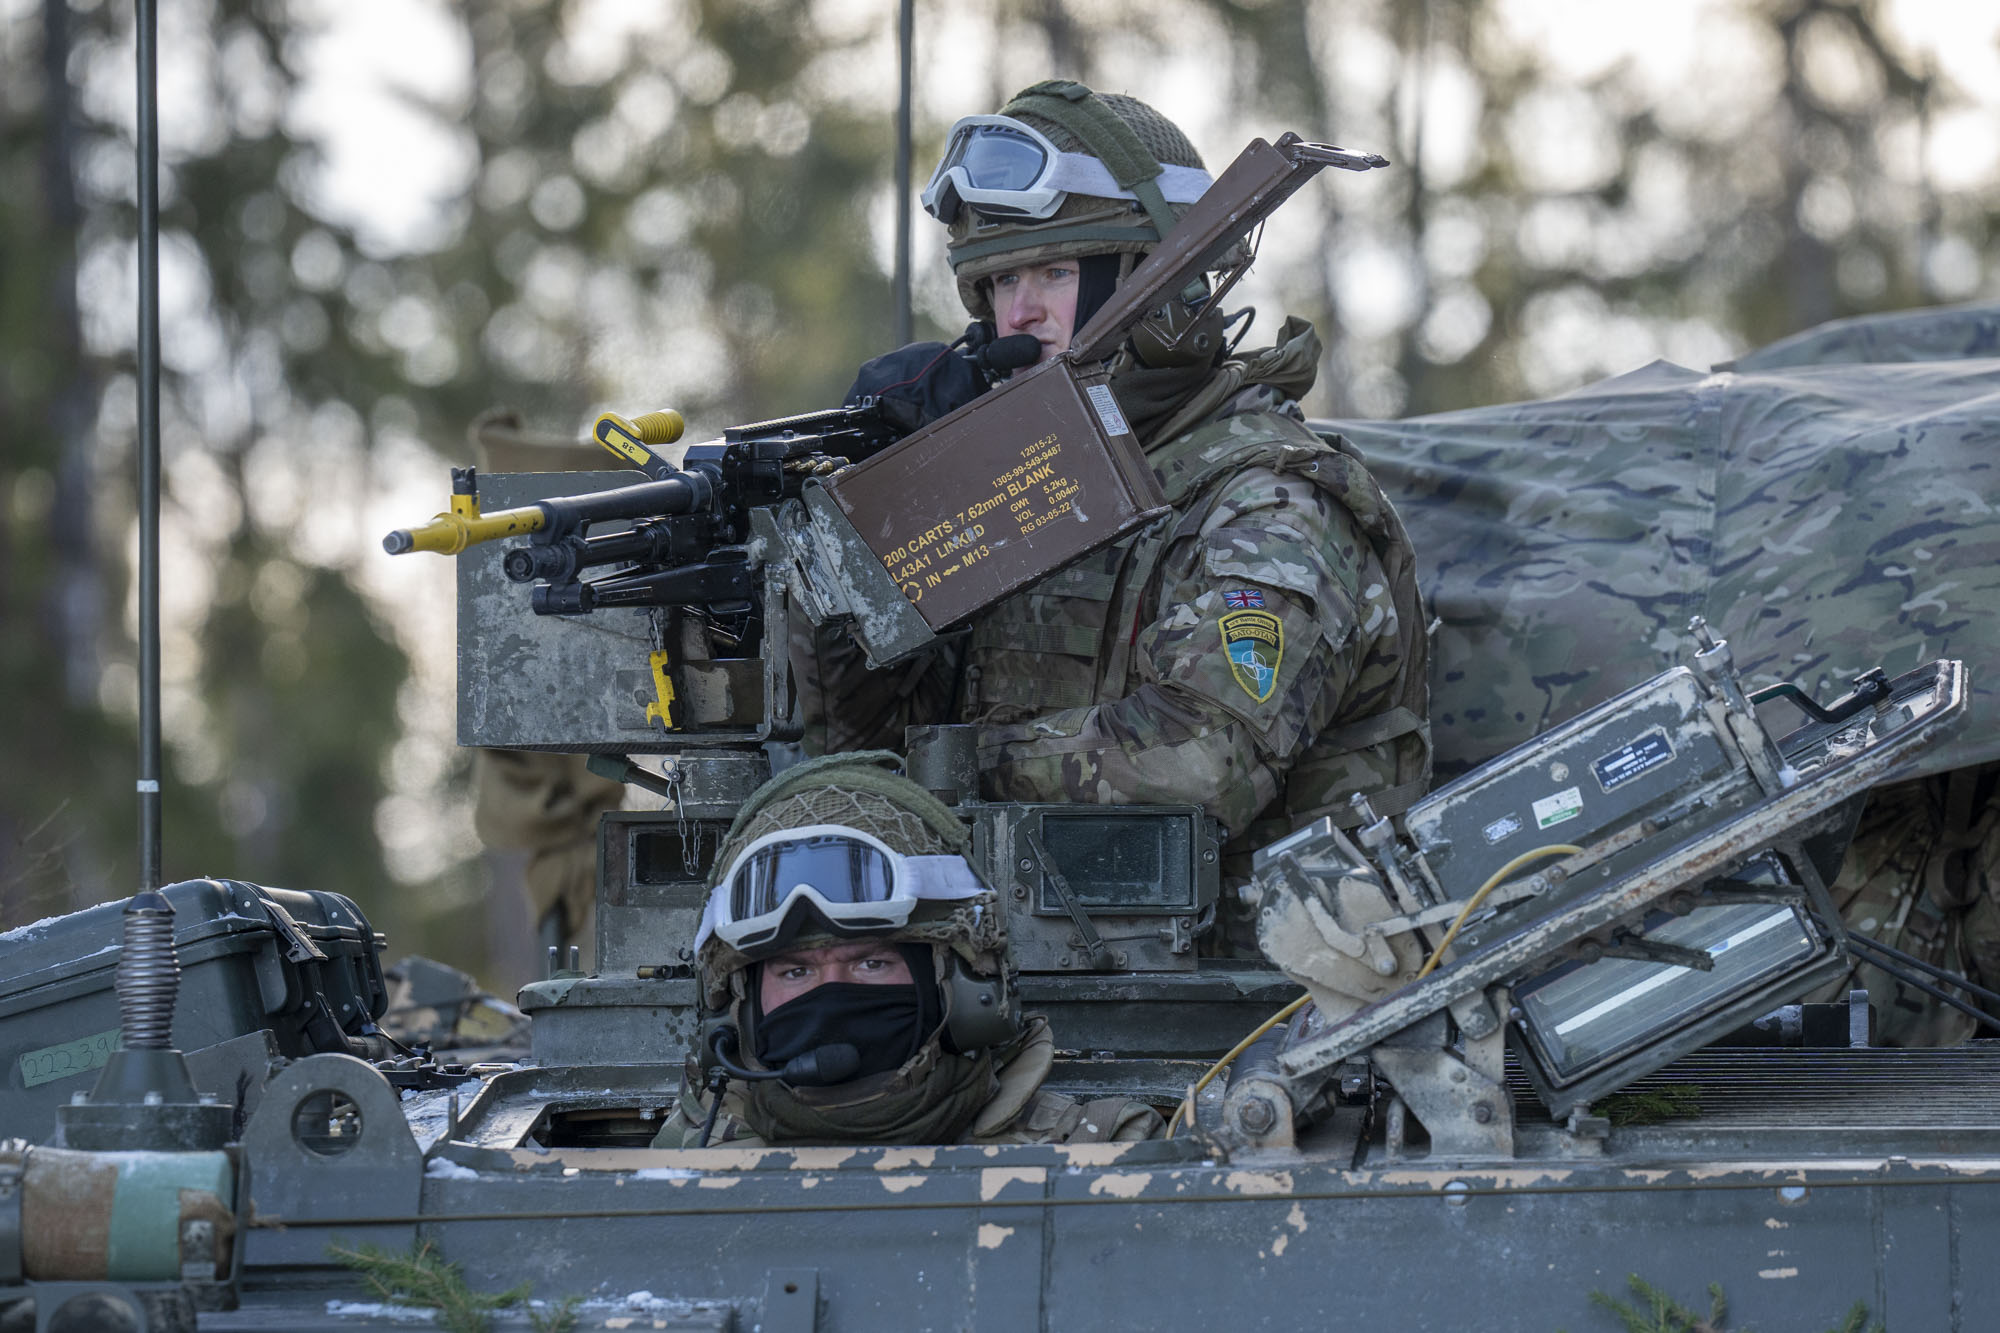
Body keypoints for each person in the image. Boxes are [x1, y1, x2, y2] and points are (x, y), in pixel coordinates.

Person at [800, 81, 1432, 940]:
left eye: (1055, 273)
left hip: (1258, 999)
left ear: (1164, 287)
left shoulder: (1269, 498)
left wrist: (938, 769)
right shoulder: (1024, 492)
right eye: (999, 282)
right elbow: (851, 743)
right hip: (1027, 971)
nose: (1016, 314)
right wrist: (859, 535)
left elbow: (1200, 760)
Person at [653, 753, 1163, 1146]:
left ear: (964, 995)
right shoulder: (674, 1174)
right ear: (734, 1020)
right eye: (794, 972)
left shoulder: (1103, 1155)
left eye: (871, 963)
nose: (833, 994)